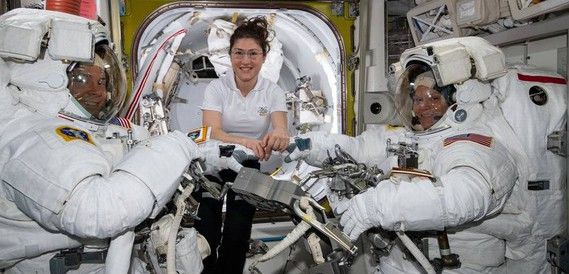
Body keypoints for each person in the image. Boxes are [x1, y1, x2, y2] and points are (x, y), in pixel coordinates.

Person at [0, 8, 237, 273]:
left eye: (102, 81)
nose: (98, 92)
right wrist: (179, 145)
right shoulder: (28, 138)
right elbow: (100, 212)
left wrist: (204, 154)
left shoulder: (105, 132)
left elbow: (143, 163)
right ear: (44, 80)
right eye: (81, 79)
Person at [288, 37, 539, 273]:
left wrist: (379, 206)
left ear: (461, 100)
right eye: (417, 99)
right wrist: (311, 145)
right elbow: (361, 149)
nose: (421, 107)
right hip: (400, 263)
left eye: (434, 98)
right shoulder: (413, 138)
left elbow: (464, 196)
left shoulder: (475, 144)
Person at [198, 16, 289, 273]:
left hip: (247, 163)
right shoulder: (217, 88)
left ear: (263, 56)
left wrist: (279, 136)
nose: (245, 61)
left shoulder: (273, 91)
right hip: (213, 160)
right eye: (239, 53)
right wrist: (246, 141)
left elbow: (281, 127)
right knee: (206, 228)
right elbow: (212, 131)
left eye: (252, 54)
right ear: (230, 55)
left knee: (238, 229)